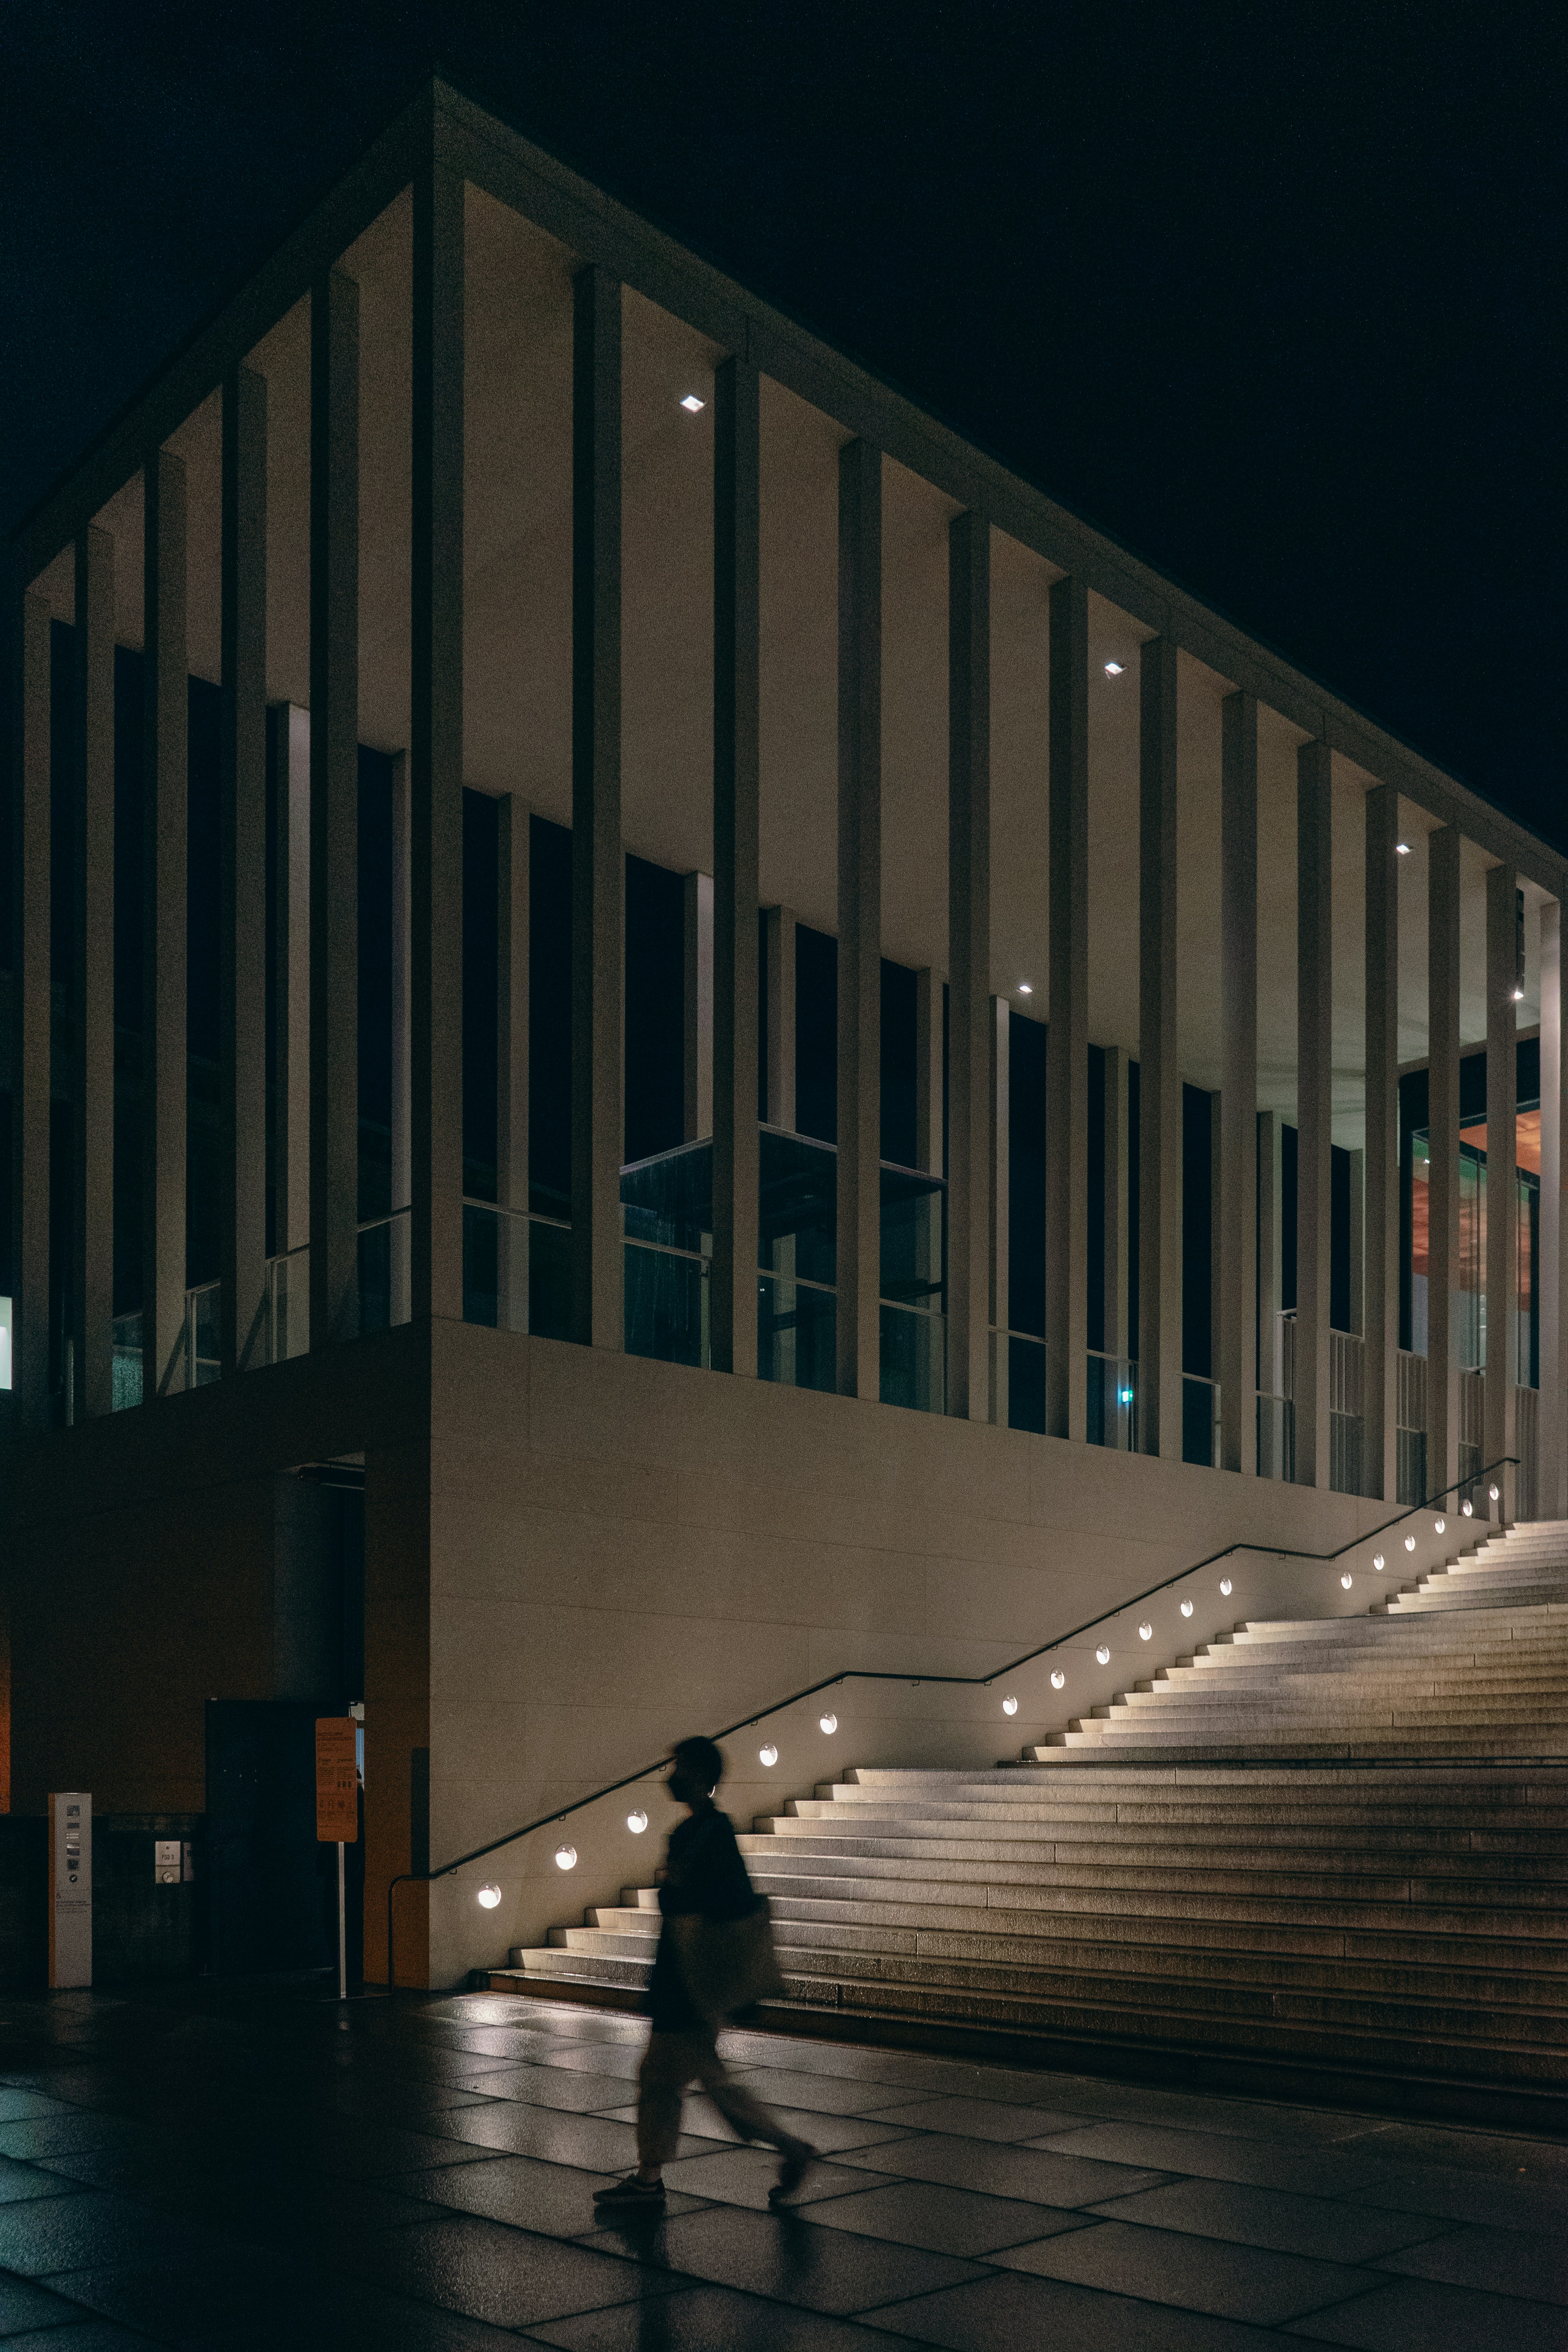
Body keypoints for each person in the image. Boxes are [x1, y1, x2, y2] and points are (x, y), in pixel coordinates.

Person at [593, 1735, 817, 2210]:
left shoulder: (711, 1834)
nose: (670, 1777)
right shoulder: (691, 1833)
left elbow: (732, 1904)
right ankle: (651, 2176)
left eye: (677, 1767)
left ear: (697, 1775)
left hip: (694, 1983)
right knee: (680, 2077)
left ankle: (784, 2149)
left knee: (685, 2079)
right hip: (685, 1978)